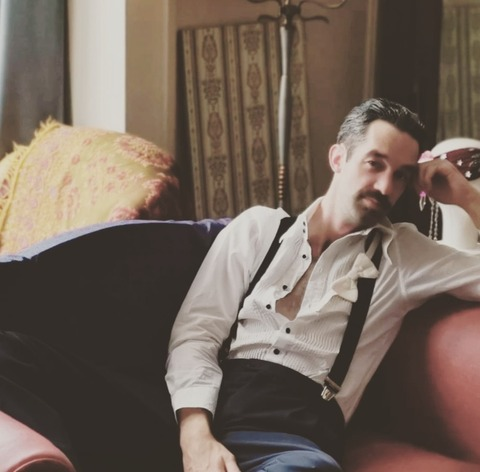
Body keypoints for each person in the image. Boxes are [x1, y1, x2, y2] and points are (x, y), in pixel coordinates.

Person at [165, 97, 480, 472]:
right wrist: (196, 439)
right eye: (375, 163)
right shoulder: (257, 229)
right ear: (338, 158)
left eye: (401, 176)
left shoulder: (403, 256)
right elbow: (197, 334)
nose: (385, 186)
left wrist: (466, 196)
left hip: (297, 450)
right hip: (213, 425)